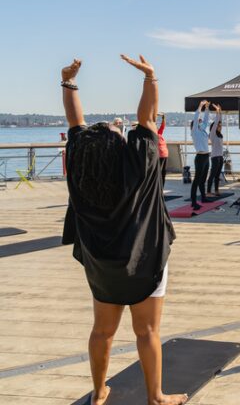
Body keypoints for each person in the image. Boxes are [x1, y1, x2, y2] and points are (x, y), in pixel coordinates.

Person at [60, 56, 187, 405]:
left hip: (102, 266)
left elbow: (75, 124)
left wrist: (68, 82)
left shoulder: (82, 176)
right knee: (146, 331)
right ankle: (156, 397)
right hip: (145, 260)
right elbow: (146, 119)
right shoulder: (138, 168)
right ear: (118, 147)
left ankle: (100, 391)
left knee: (102, 330)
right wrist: (150, 77)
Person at [190, 100, 210, 210]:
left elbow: (206, 120)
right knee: (197, 180)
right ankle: (193, 202)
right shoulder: (194, 132)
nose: (201, 122)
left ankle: (203, 197)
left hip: (207, 156)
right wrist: (201, 106)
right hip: (200, 157)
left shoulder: (203, 130)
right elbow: (196, 116)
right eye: (199, 121)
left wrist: (207, 108)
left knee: (203, 180)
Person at [207, 104, 224, 196]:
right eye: (218, 126)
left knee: (217, 175)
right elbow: (217, 120)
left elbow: (219, 120)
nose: (220, 127)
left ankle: (216, 190)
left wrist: (220, 112)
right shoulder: (212, 134)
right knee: (212, 175)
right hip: (215, 157)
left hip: (220, 157)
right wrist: (217, 112)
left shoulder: (219, 134)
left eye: (220, 126)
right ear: (214, 127)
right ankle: (208, 191)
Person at [157, 114, 169, 186]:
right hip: (158, 156)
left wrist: (163, 117)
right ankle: (157, 189)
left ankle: (161, 189)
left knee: (163, 173)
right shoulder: (152, 135)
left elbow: (163, 126)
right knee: (159, 173)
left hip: (164, 155)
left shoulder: (159, 133)